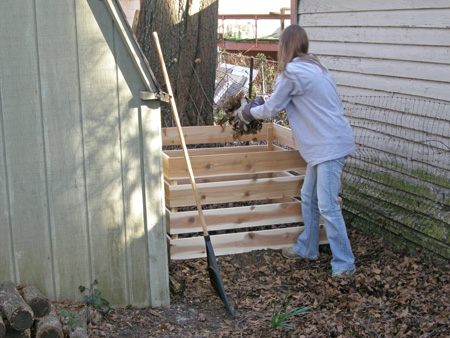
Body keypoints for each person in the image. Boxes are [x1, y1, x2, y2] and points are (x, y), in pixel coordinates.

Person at [233, 24, 356, 277]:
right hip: (325, 143)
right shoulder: (316, 67)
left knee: (328, 205)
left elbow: (270, 110)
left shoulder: (291, 73)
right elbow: (285, 100)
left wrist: (247, 112)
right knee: (309, 196)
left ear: (284, 47)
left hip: (328, 146)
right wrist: (263, 103)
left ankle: (345, 264)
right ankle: (307, 248)